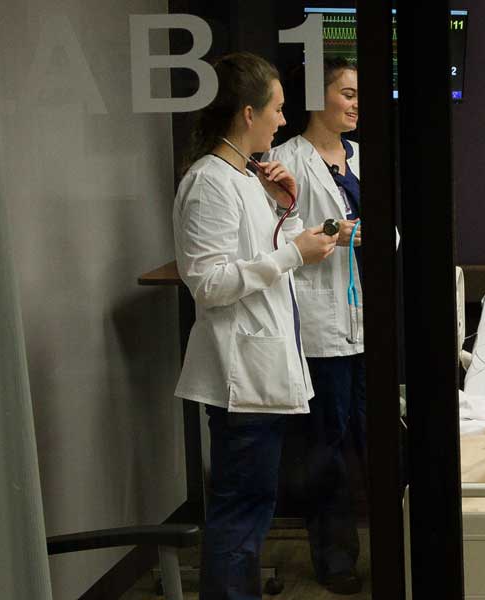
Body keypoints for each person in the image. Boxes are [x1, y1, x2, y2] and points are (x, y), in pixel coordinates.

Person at [171, 51, 336, 600]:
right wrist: (293, 254)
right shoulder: (208, 183)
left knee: (253, 509)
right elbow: (209, 283)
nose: (283, 121)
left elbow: (251, 254)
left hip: (261, 369)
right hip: (240, 377)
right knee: (240, 514)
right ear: (248, 113)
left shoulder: (242, 178)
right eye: (278, 110)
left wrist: (283, 206)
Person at [269, 56, 366, 595]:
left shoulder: (362, 158)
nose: (355, 105)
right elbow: (273, 240)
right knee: (324, 447)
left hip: (367, 321)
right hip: (322, 327)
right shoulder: (285, 162)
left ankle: (394, 545)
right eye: (347, 93)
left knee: (374, 443)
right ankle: (335, 560)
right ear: (318, 98)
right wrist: (326, 234)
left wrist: (366, 236)